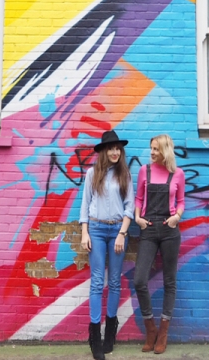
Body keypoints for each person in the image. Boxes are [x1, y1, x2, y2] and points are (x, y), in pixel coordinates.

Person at [80, 130, 135, 360]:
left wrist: (122, 233)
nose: (115, 152)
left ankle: (110, 332)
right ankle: (95, 337)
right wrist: (84, 232)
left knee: (114, 282)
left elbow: (129, 206)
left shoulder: (125, 174)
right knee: (96, 282)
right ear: (103, 151)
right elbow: (85, 204)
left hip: (117, 232)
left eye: (117, 148)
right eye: (111, 148)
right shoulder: (92, 174)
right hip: (97, 229)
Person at [133, 134, 185, 355]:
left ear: (165, 150)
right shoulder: (145, 170)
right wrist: (137, 218)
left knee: (169, 282)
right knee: (139, 280)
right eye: (151, 148)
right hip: (148, 229)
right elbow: (138, 198)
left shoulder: (178, 174)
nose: (152, 152)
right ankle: (151, 328)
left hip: (169, 230)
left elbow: (181, 200)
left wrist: (177, 217)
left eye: (156, 149)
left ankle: (163, 332)